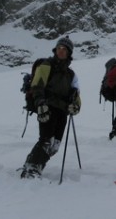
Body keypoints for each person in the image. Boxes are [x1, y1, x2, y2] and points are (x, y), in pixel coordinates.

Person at [20, 36, 81, 179]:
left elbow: (76, 94)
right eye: (59, 48)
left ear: (69, 53)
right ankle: (31, 168)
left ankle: (35, 164)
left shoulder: (71, 74)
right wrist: (40, 103)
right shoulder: (46, 65)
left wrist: (76, 106)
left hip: (63, 111)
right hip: (47, 107)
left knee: (55, 145)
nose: (61, 51)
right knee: (46, 140)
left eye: (64, 49)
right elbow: (37, 86)